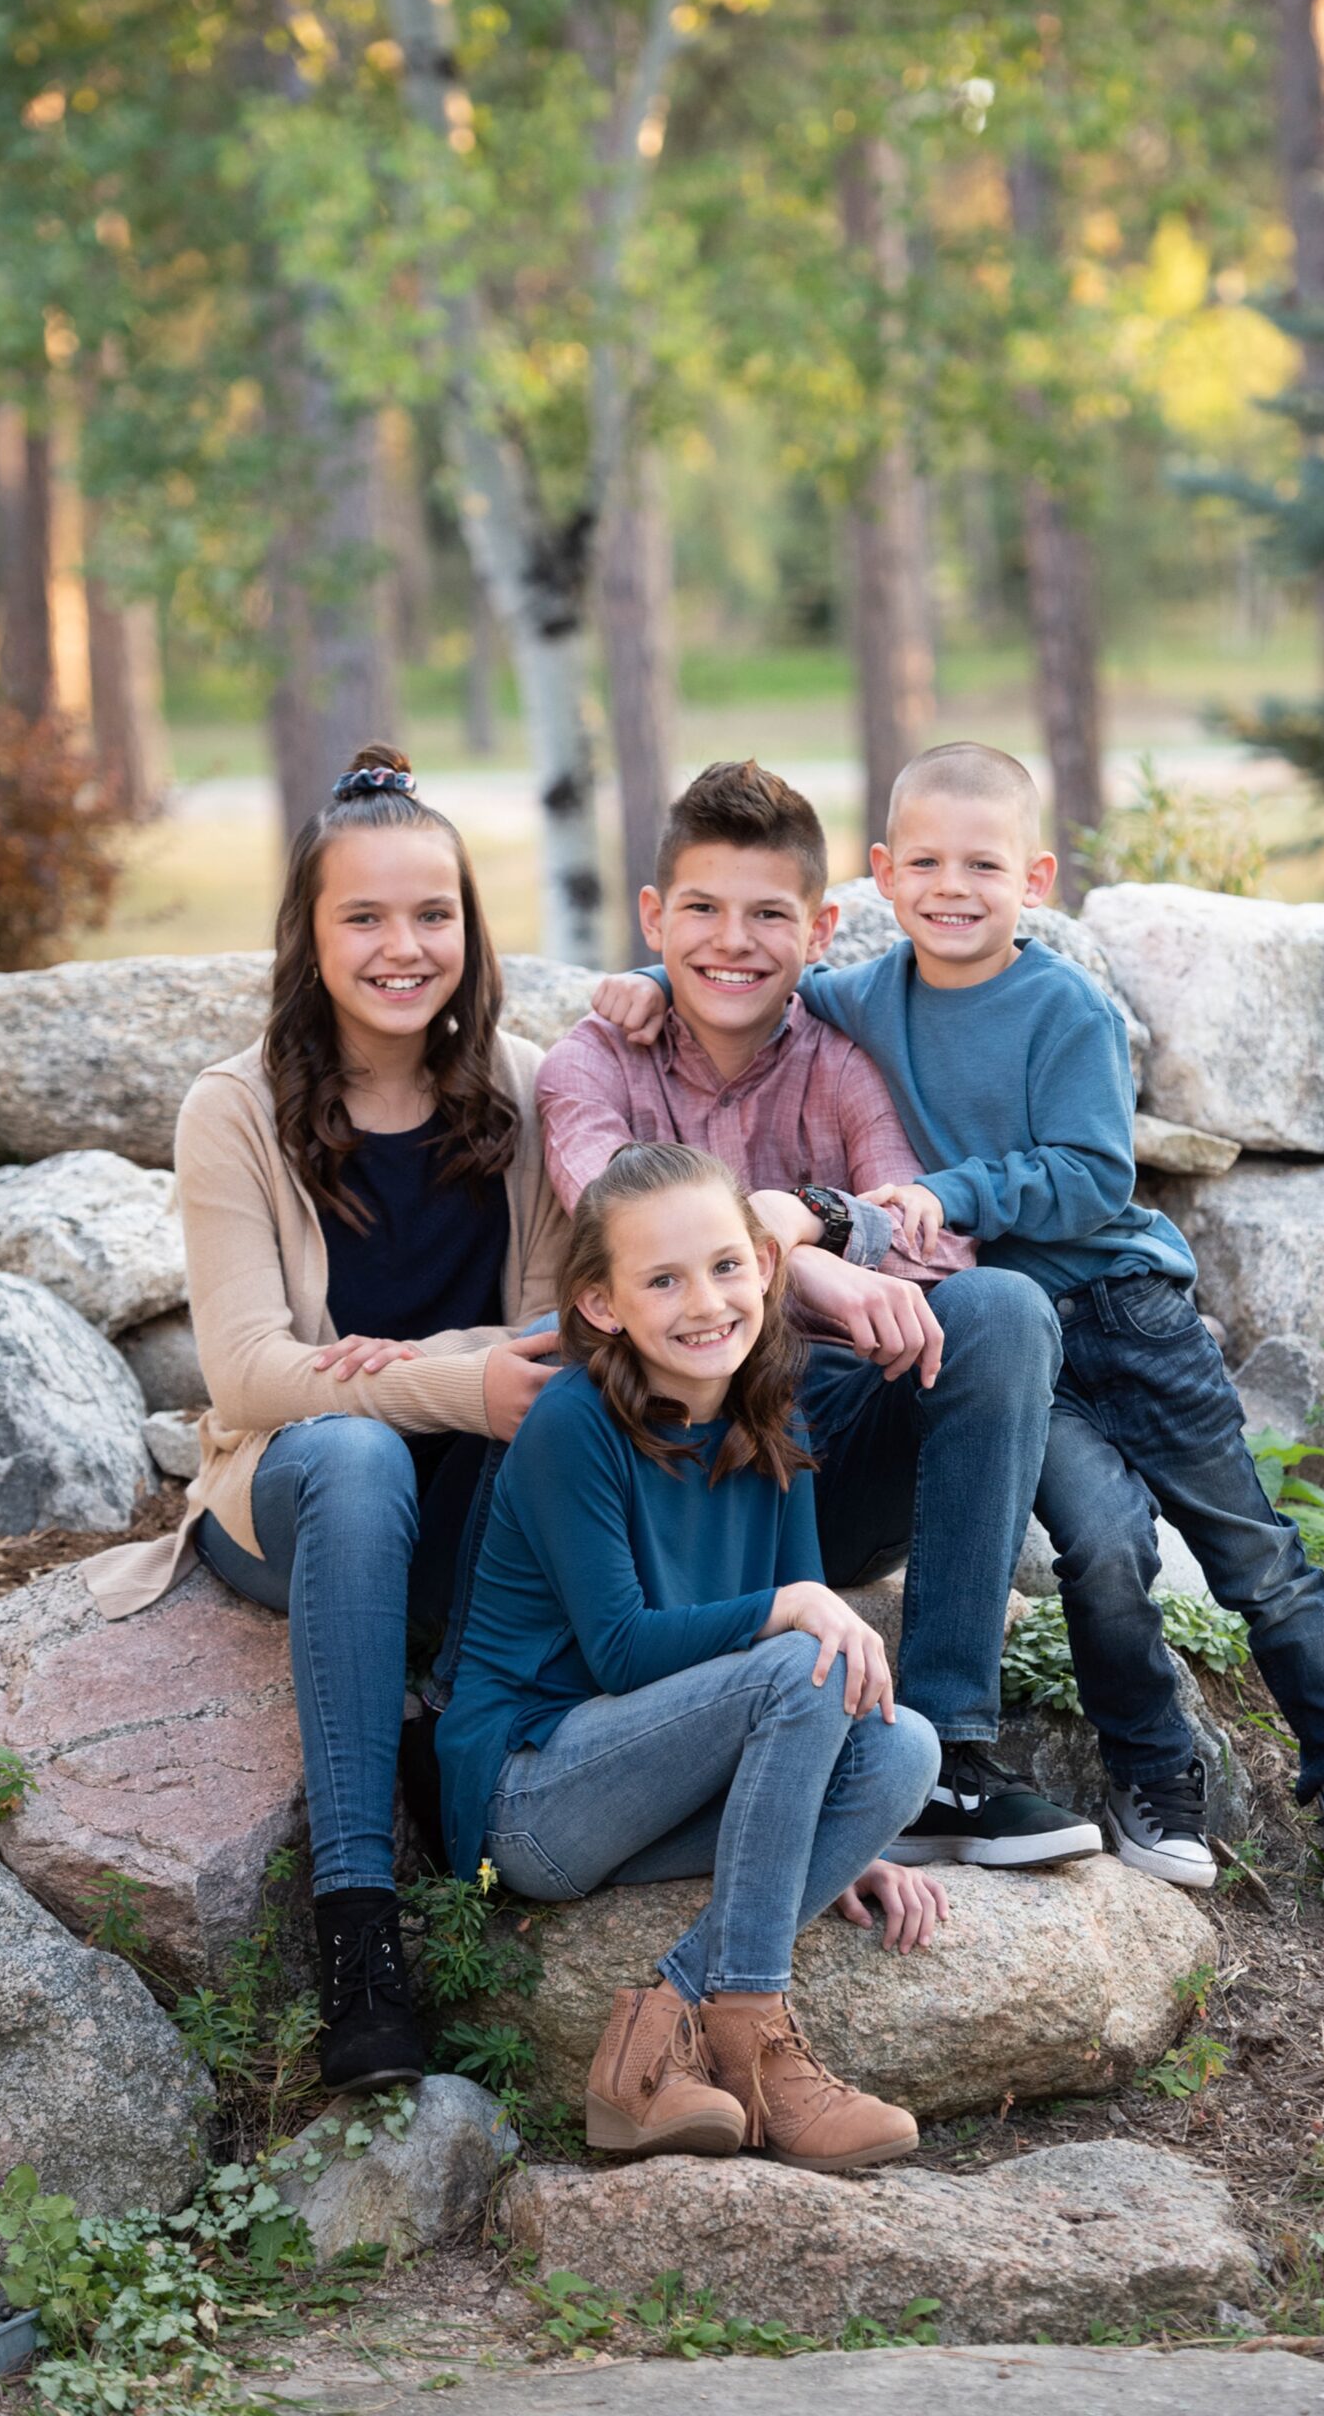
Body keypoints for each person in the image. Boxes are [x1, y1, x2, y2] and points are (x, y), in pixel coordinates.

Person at [601, 742, 1324, 1910]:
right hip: (1013, 1340)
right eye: (923, 861)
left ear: (1031, 878)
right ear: (881, 875)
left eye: (981, 864)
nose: (950, 886)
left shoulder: (1063, 1009)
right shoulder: (856, 993)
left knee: (1251, 1555)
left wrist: (947, 1196)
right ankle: (1152, 1775)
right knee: (1099, 1547)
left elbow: (1091, 1172)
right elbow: (742, 961)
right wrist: (639, 981)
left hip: (1124, 1315)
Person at [84, 743, 569, 2091]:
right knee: (357, 1453)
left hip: (478, 1507)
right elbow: (249, 1375)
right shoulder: (233, 1111)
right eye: (363, 916)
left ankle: (464, 1758)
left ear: (470, 930)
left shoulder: (525, 1091)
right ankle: (358, 1937)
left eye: (434, 914)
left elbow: (549, 1335)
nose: (403, 946)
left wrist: (430, 1371)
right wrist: (452, 1381)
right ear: (307, 934)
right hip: (299, 1505)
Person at [537, 760, 1101, 1870]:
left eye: (766, 915)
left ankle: (950, 1758)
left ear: (822, 926)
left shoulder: (840, 1064)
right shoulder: (589, 1065)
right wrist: (821, 1278)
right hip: (670, 1479)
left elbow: (935, 1240)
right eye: (699, 909)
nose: (730, 942)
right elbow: (629, 1240)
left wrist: (818, 1229)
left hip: (827, 1459)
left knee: (999, 1308)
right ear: (652, 917)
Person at [438, 1141, 946, 2171]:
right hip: (532, 1795)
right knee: (801, 1655)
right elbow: (621, 1649)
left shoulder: (771, 1408)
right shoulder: (571, 1424)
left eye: (723, 1265)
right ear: (600, 1304)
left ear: (764, 1265)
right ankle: (759, 2046)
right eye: (661, 1279)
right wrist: (794, 1605)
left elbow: (822, 1686)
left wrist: (842, 1830)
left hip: (662, 1777)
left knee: (902, 1752)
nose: (704, 1301)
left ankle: (654, 2029)